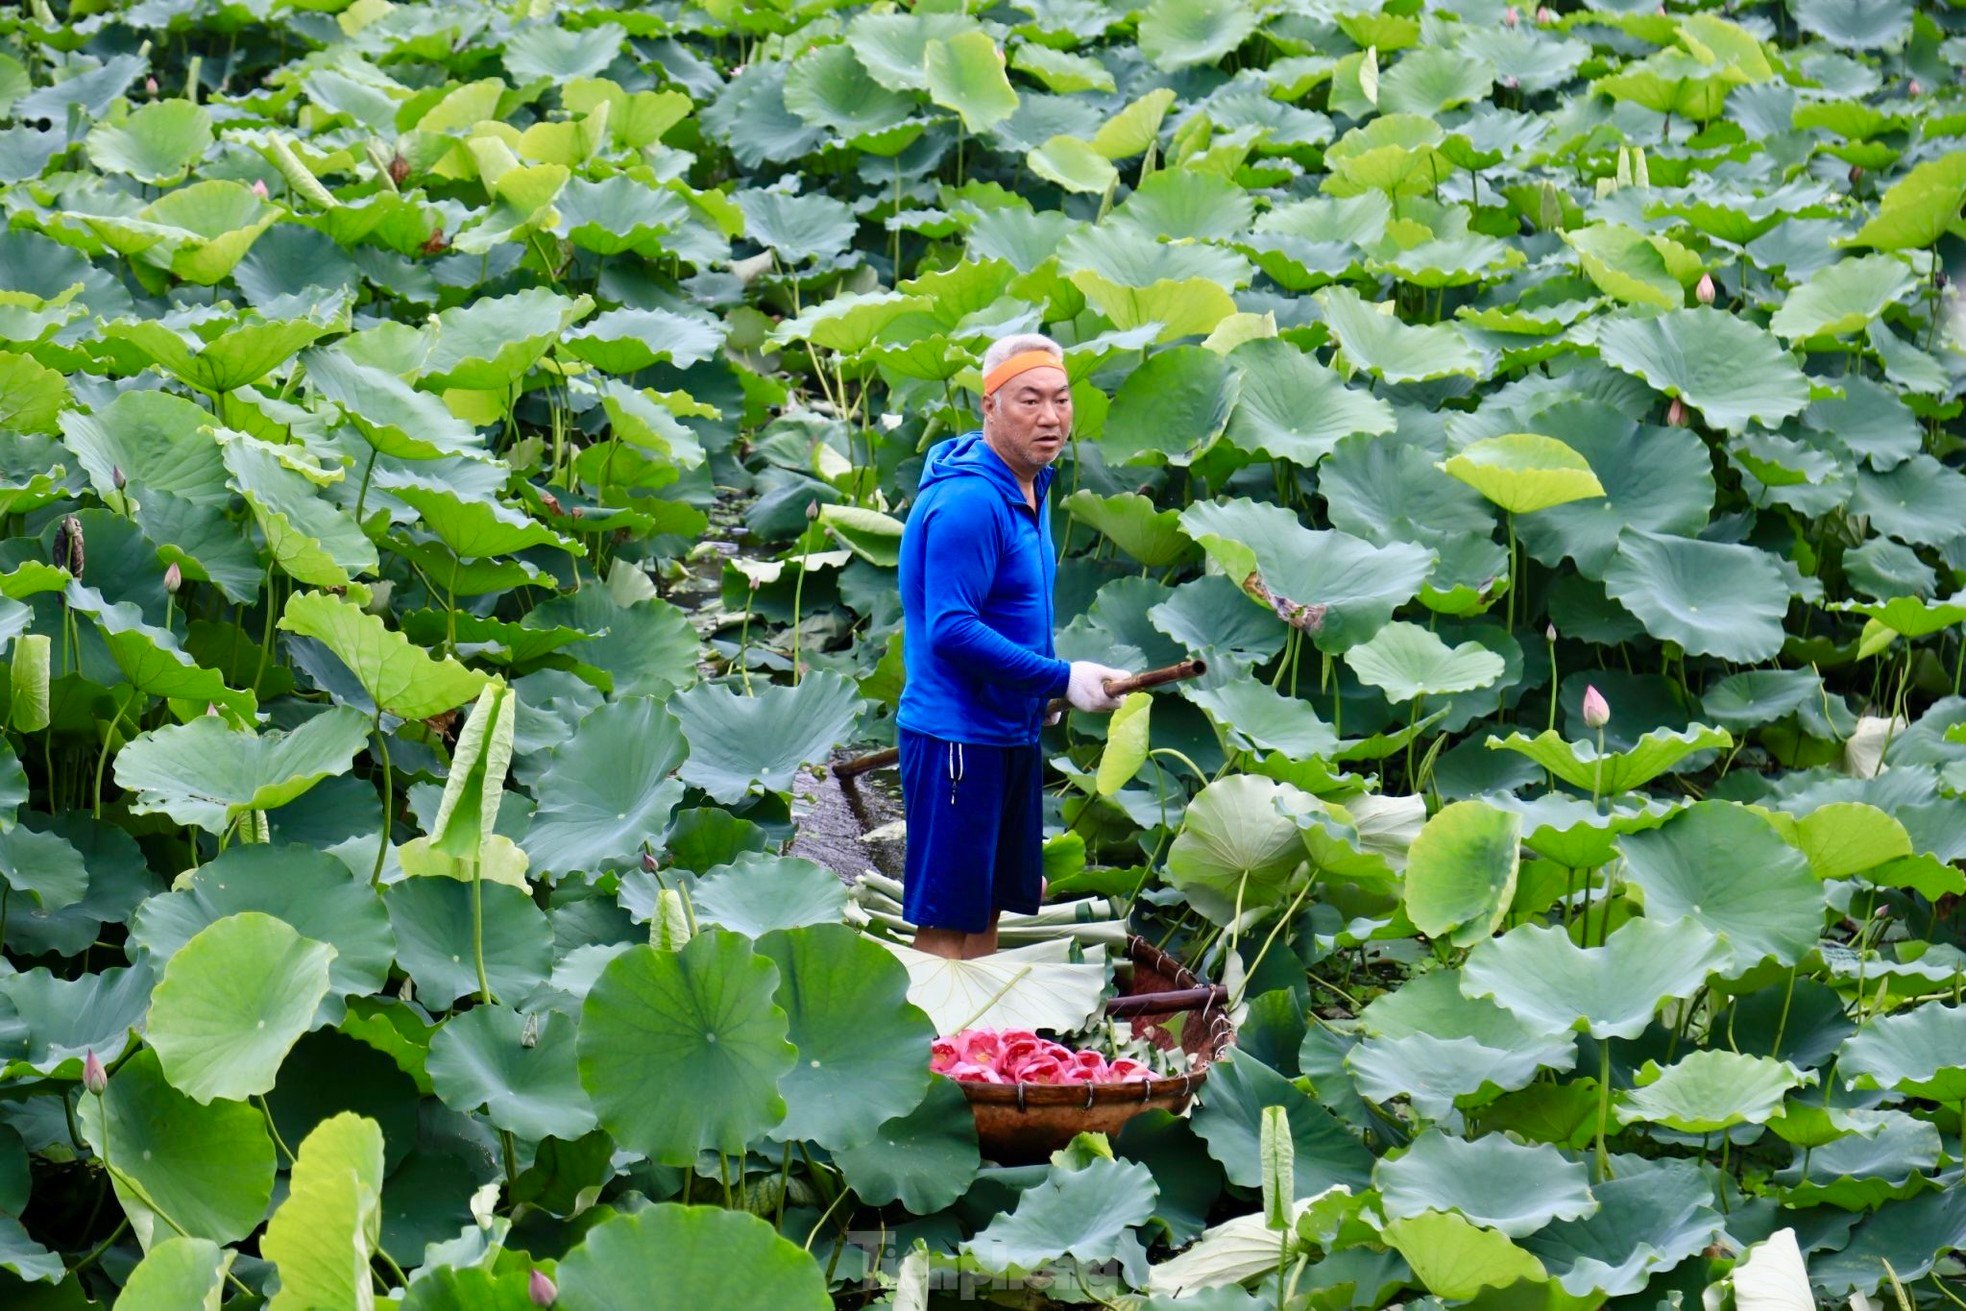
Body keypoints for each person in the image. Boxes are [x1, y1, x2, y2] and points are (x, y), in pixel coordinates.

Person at [895, 333, 1131, 961]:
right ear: (989, 405)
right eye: (1029, 400)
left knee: (988, 908)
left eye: (1060, 399)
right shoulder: (971, 500)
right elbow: (951, 629)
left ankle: (977, 1055)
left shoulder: (1030, 483)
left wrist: (1038, 696)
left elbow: (1009, 615)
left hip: (1009, 731)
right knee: (947, 920)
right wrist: (1060, 678)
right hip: (957, 740)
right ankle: (927, 1048)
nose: (1050, 417)